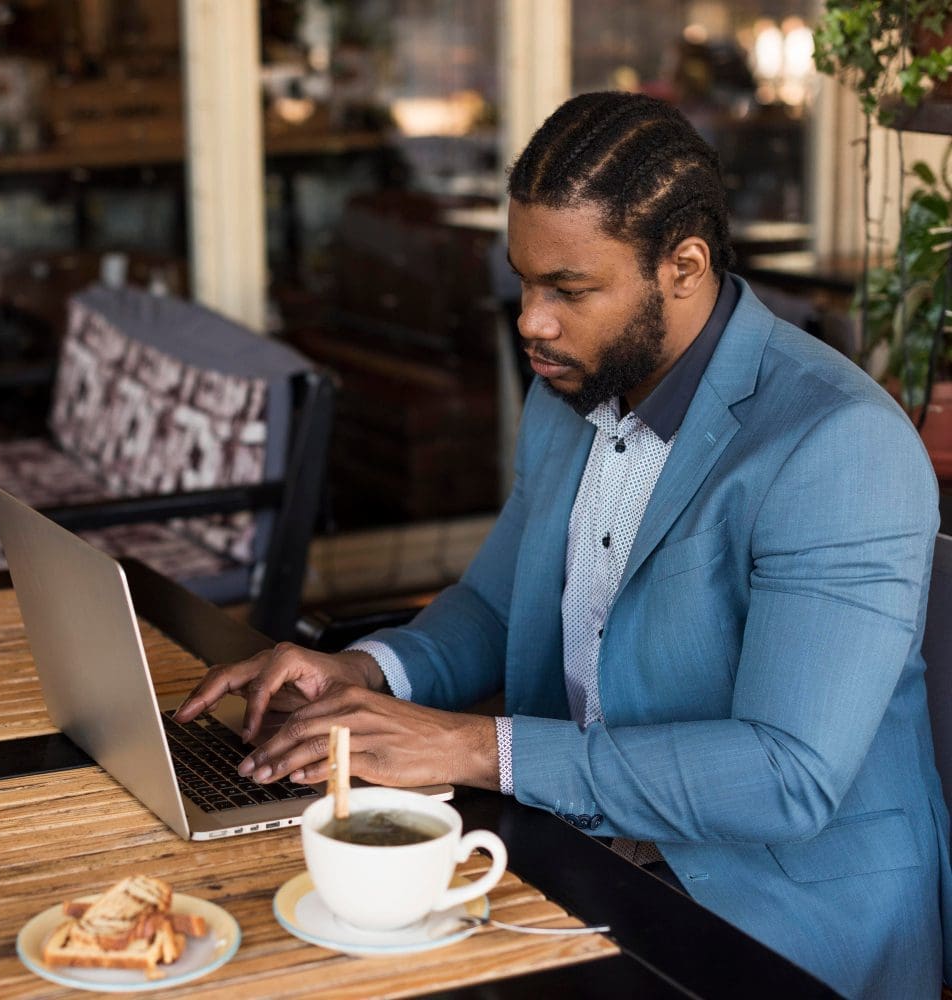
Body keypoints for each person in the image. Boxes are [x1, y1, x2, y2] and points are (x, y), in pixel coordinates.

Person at [176, 91, 951, 998]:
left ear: (684, 266)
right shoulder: (571, 394)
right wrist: (369, 672)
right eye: (523, 281)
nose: (529, 322)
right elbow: (499, 602)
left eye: (568, 290)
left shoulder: (834, 442)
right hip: (578, 856)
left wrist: (475, 748)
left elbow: (785, 776)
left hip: (774, 919)